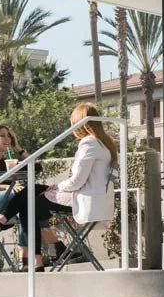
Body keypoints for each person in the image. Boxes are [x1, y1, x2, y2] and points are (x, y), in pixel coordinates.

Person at [25, 103, 116, 270]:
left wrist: (57, 186)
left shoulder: (89, 143)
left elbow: (76, 182)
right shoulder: (106, 144)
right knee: (34, 205)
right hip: (102, 202)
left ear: (80, 124)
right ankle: (53, 249)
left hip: (87, 200)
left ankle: (35, 259)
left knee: (30, 207)